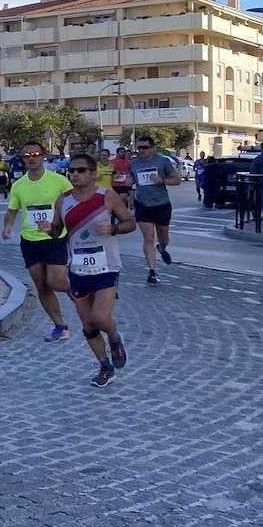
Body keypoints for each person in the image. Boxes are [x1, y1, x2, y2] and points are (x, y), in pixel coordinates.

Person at [53, 153, 136, 387]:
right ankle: (105, 366)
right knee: (88, 325)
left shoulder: (107, 197)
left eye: (81, 170)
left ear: (93, 174)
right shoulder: (63, 200)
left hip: (106, 266)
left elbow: (130, 223)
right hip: (78, 269)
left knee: (100, 317)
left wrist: (113, 228)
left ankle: (114, 337)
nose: (75, 174)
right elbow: (56, 230)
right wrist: (48, 229)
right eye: (71, 171)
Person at [2, 141, 74, 342]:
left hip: (55, 237)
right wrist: (7, 226)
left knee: (55, 281)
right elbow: (11, 212)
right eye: (27, 155)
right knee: (42, 286)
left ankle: (75, 289)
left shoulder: (59, 181)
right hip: (30, 240)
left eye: (35, 154)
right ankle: (60, 326)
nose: (31, 158)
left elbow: (73, 203)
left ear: (43, 156)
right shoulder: (18, 185)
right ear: (22, 160)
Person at [130, 136, 181, 284]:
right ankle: (153, 272)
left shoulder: (162, 161)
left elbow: (176, 180)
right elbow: (132, 178)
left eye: (144, 147)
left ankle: (162, 247)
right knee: (148, 237)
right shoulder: (134, 163)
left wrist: (162, 180)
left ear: (152, 148)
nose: (141, 151)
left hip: (161, 204)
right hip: (142, 204)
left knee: (164, 238)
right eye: (139, 148)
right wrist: (130, 180)